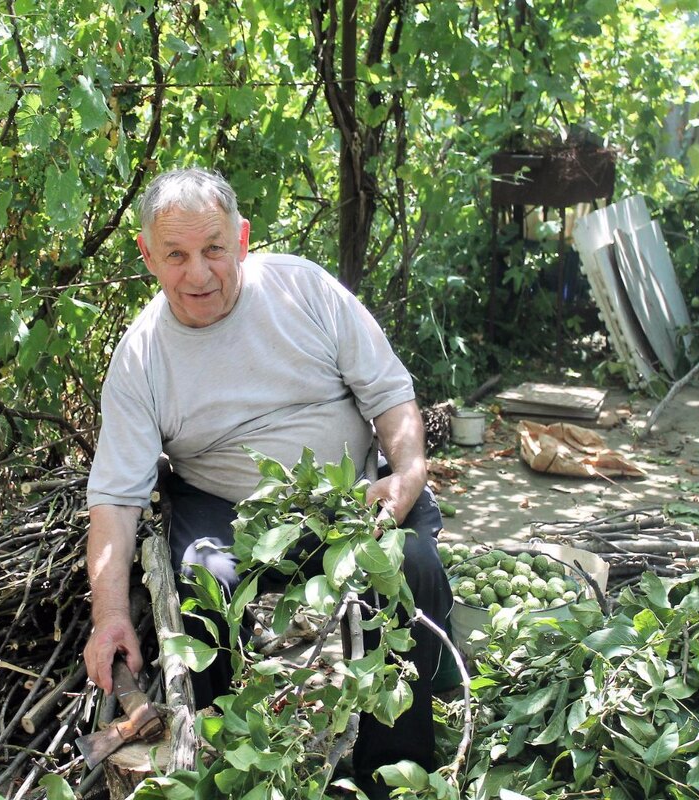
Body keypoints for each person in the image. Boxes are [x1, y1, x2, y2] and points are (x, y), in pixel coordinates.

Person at [82, 167, 452, 793]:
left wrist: (408, 474)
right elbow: (115, 501)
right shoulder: (141, 356)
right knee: (205, 585)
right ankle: (238, 773)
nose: (198, 274)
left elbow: (391, 396)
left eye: (213, 249)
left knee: (412, 564)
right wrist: (109, 615)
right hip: (232, 515)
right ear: (146, 255)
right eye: (175, 255)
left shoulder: (302, 291)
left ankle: (395, 775)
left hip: (350, 500)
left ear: (243, 238)